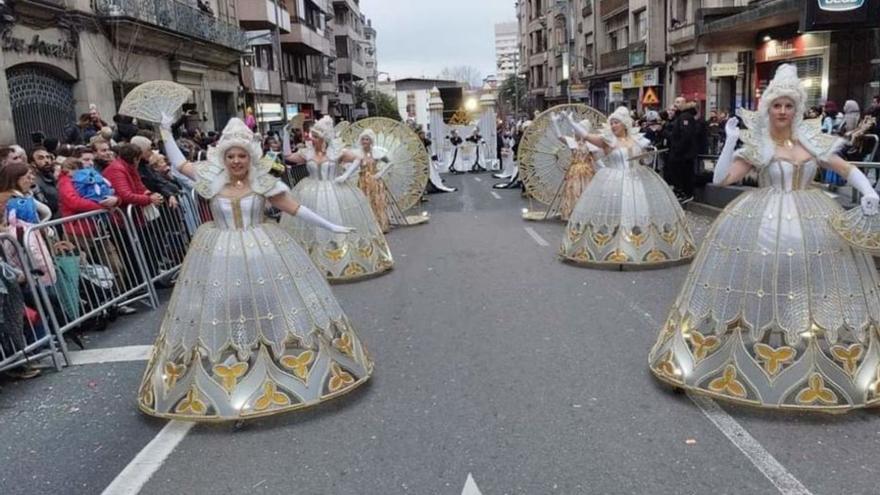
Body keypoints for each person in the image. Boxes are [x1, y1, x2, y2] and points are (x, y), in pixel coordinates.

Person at [648, 64, 880, 411]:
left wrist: (868, 192)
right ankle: (762, 340)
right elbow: (724, 177)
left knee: (809, 281)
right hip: (764, 223)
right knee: (762, 278)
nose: (783, 111)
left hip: (812, 221)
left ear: (796, 108)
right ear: (768, 108)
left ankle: (803, 341)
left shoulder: (811, 140)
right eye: (777, 105)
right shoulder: (758, 144)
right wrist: (729, 141)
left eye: (789, 105)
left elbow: (845, 169)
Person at [138, 114, 372, 421]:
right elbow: (181, 165)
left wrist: (332, 226)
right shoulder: (211, 178)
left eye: (242, 155)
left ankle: (276, 357)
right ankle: (233, 358)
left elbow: (295, 208)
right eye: (231, 155)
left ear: (251, 157)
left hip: (261, 250)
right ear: (223, 157)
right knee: (225, 305)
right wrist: (165, 132)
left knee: (267, 301)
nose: (236, 161)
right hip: (219, 252)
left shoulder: (264, 182)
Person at [558, 106, 695, 268]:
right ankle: (613, 247)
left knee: (638, 210)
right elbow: (586, 135)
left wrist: (649, 156)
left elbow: (645, 161)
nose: (613, 125)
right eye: (611, 122)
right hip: (613, 179)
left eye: (616, 122)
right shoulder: (607, 140)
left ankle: (640, 246)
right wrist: (571, 122)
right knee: (614, 212)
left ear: (624, 124)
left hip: (637, 178)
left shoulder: (637, 139)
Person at [281, 116, 393, 282]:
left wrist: (346, 174)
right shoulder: (307, 152)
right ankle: (314, 260)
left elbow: (360, 158)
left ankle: (341, 256)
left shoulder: (337, 152)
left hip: (336, 190)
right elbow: (288, 156)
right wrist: (285, 133)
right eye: (312, 135)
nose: (312, 139)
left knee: (335, 217)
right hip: (309, 190)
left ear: (325, 138)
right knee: (312, 224)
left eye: (316, 136)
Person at [549, 112, 598, 221]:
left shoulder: (590, 144)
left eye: (578, 129)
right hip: (574, 172)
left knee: (586, 192)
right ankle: (573, 215)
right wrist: (555, 122)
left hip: (587, 172)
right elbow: (559, 136)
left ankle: (585, 215)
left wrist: (603, 171)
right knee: (573, 191)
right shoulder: (573, 142)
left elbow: (596, 159)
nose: (576, 131)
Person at [354, 129, 391, 233]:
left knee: (377, 202)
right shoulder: (358, 154)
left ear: (371, 141)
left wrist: (380, 173)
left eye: (367, 139)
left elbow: (389, 162)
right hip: (362, 182)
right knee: (365, 202)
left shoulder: (376, 153)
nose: (365, 141)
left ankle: (380, 224)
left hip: (375, 181)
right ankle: (368, 226)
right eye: (363, 139)